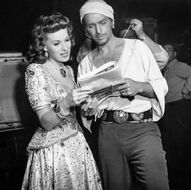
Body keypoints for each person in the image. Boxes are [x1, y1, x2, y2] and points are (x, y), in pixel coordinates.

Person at [77, 0, 169, 190]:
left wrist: (140, 87)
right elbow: (85, 106)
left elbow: (161, 87)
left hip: (143, 129)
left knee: (157, 185)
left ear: (112, 21)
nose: (98, 30)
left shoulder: (137, 48)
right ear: (86, 30)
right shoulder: (85, 63)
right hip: (108, 133)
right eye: (91, 26)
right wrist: (88, 108)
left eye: (102, 22)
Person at [21, 12, 102, 190]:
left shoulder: (68, 70)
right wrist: (66, 103)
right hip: (54, 153)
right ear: (43, 46)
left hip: (78, 145)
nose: (65, 47)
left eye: (66, 40)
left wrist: (88, 109)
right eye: (56, 43)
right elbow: (46, 122)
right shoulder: (35, 71)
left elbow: (74, 114)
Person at [160, 43, 191, 190]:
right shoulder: (165, 70)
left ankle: (185, 183)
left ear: (175, 54)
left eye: (169, 49)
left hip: (180, 109)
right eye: (163, 49)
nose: (166, 51)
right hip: (171, 110)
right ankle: (178, 182)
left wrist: (186, 90)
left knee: (183, 148)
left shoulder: (177, 66)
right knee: (173, 149)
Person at [77, 18, 169, 70]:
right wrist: (90, 35)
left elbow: (162, 59)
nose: (125, 40)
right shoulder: (110, 55)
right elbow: (82, 60)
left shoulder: (140, 52)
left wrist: (142, 35)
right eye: (123, 38)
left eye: (129, 37)